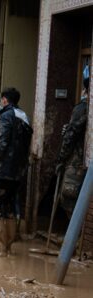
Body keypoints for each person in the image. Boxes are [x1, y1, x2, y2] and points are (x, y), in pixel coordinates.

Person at [0, 87, 33, 257]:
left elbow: (0, 144)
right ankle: (8, 247)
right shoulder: (24, 116)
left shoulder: (6, 116)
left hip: (2, 170)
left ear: (4, 100)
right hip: (18, 171)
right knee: (10, 208)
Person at [56, 74, 89, 218]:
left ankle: (74, 236)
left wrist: (61, 159)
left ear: (85, 90)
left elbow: (71, 135)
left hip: (77, 160)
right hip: (82, 160)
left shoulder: (82, 108)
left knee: (68, 196)